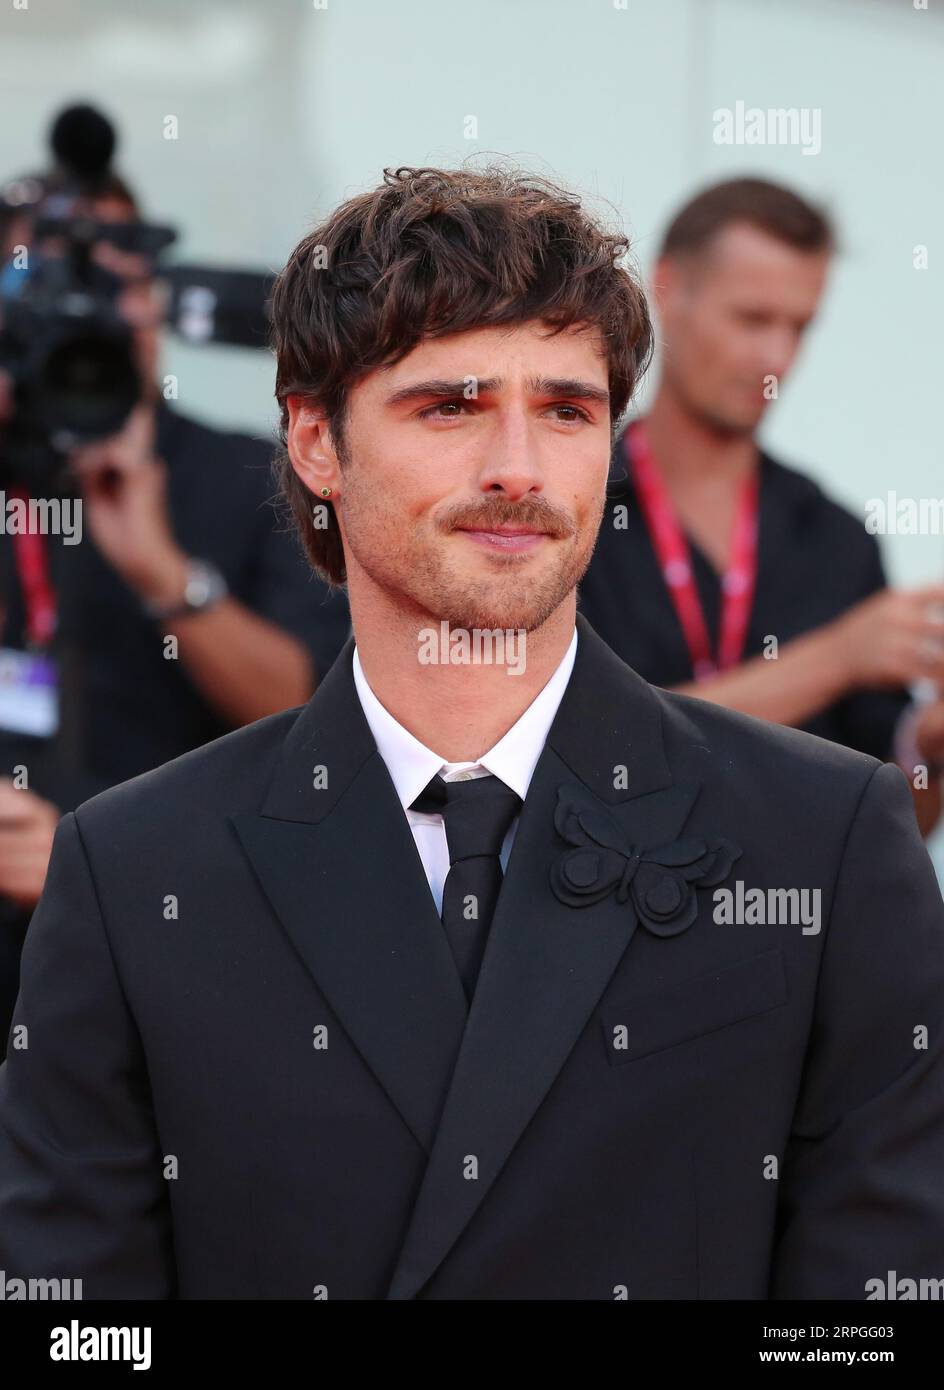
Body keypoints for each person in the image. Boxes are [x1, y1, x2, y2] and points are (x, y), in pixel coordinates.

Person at [0, 164, 942, 1300]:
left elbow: (872, 1307)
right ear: (314, 441)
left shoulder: (825, 839)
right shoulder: (131, 868)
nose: (518, 467)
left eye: (565, 408)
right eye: (449, 405)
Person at [0, 145, 350, 1055]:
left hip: (176, 962)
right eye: (47, 287)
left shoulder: (254, 477)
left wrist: (166, 573)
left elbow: (316, 729)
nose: (95, 314)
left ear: (159, 304)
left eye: (118, 282)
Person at [577, 178, 944, 836]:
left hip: (794, 936)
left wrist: (931, 747)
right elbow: (581, 752)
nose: (776, 357)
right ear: (668, 288)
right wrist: (834, 660)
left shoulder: (840, 541)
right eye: (752, 319)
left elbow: (901, 827)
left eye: (799, 326)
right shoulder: (569, 509)